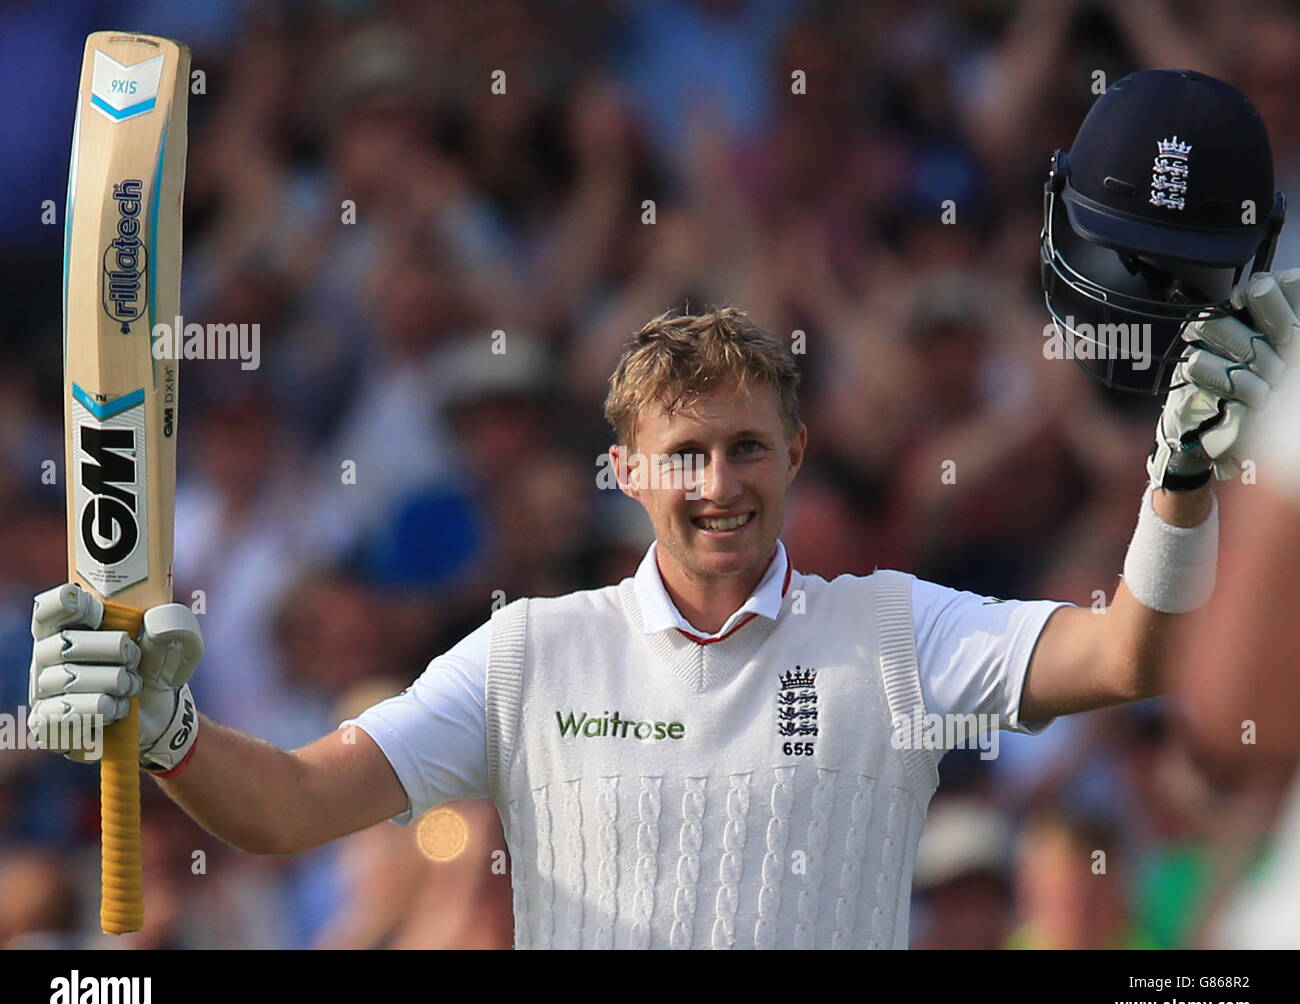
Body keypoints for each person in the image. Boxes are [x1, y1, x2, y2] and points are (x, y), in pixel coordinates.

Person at [26, 72, 1297, 949]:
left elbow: (1137, 649)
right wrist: (167, 721)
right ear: (623, 471)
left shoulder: (897, 631)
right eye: (683, 453)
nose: (719, 482)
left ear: (797, 451)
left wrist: (1180, 483)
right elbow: (293, 807)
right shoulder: (528, 652)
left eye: (748, 447)